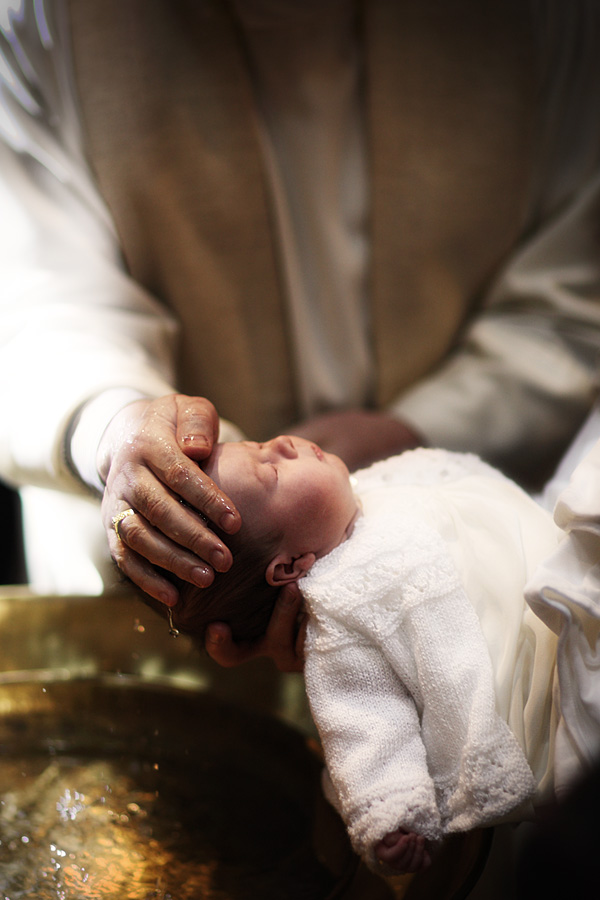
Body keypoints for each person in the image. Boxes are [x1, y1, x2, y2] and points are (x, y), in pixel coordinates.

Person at [2, 1, 600, 671]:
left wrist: (423, 429)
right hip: (155, 621)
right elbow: (32, 298)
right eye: (266, 457)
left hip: (489, 582)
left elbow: (577, 289)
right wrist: (115, 429)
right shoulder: (46, 19)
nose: (285, 443)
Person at [154, 433, 599, 874]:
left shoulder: (368, 489)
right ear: (289, 566)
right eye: (271, 471)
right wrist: (391, 812)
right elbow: (364, 721)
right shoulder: (340, 604)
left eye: (259, 444)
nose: (284, 444)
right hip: (547, 677)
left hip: (552, 565)